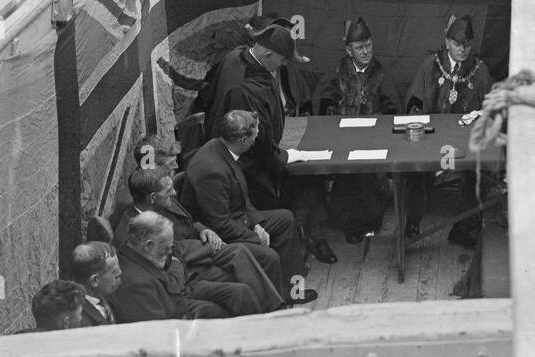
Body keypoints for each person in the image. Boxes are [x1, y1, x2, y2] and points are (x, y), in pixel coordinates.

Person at [198, 20, 335, 263]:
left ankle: (309, 236)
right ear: (268, 53)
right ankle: (287, 262)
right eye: (282, 61)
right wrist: (284, 157)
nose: (282, 66)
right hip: (248, 167)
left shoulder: (237, 57)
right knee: (300, 181)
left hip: (252, 154)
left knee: (305, 179)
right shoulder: (243, 88)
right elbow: (252, 139)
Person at [181, 110, 316, 303]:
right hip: (219, 233)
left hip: (238, 218)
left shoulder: (222, 149)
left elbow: (243, 198)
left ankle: (292, 290)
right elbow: (220, 224)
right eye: (256, 131)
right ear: (243, 140)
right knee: (269, 256)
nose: (259, 134)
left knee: (285, 218)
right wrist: (255, 237)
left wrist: (257, 224)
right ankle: (276, 301)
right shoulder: (212, 171)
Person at [116, 166, 288, 310]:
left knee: (239, 251)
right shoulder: (132, 230)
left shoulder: (159, 203)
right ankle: (269, 314)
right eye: (169, 191)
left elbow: (187, 221)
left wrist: (203, 230)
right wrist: (202, 250)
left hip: (192, 249)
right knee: (239, 280)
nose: (175, 193)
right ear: (153, 197)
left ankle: (274, 308)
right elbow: (164, 262)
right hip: (185, 270)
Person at [405, 14, 494, 243]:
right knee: (414, 167)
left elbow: (492, 107)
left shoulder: (479, 70)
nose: (462, 49)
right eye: (457, 44)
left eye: (466, 45)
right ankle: (412, 222)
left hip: (465, 143)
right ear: (447, 43)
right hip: (431, 140)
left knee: (479, 172)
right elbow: (414, 102)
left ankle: (464, 229)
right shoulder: (431, 65)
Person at [312, 17, 398, 244]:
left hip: (373, 138)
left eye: (368, 45)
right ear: (348, 50)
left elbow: (393, 109)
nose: (365, 51)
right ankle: (350, 222)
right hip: (342, 139)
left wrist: (379, 123)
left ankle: (370, 220)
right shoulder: (337, 72)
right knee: (348, 175)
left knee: (369, 176)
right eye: (359, 48)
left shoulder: (381, 73)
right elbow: (322, 106)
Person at [112, 211, 275, 322]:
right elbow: (162, 325)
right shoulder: (136, 283)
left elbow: (172, 258)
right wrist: (175, 264)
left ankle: (262, 334)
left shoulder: (142, 249)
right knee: (219, 312)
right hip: (177, 306)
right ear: (148, 245)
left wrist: (174, 263)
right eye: (166, 249)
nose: (169, 252)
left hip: (182, 287)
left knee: (241, 292)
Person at [69, 242, 121, 326]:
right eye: (115, 272)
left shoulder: (102, 294)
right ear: (95, 280)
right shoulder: (80, 320)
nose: (120, 273)